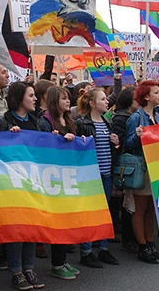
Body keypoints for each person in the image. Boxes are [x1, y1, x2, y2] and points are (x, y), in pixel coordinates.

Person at [0, 81, 48, 290]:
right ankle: (16, 271)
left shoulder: (37, 123)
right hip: (12, 184)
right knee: (17, 228)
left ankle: (29, 268)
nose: (35, 99)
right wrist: (8, 138)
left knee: (31, 226)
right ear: (19, 98)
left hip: (33, 181)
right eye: (31, 95)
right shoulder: (2, 122)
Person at [38, 86, 82, 280]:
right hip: (54, 176)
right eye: (63, 98)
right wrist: (60, 139)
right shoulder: (45, 121)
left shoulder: (70, 119)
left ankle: (63, 260)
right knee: (58, 221)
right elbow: (43, 146)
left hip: (69, 174)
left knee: (67, 220)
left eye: (68, 98)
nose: (67, 101)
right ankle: (57, 263)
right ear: (55, 101)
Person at [75, 87, 121, 266]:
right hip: (90, 176)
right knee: (89, 213)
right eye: (102, 99)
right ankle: (86, 251)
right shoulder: (82, 123)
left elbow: (111, 148)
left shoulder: (107, 122)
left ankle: (103, 248)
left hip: (106, 173)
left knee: (105, 211)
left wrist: (116, 144)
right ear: (92, 103)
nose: (106, 102)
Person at [125, 80, 159, 263]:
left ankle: (151, 243)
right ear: (146, 96)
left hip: (155, 165)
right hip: (142, 167)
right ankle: (142, 246)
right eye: (156, 92)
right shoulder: (136, 118)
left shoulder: (158, 115)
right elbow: (128, 144)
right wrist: (137, 136)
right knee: (140, 209)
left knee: (151, 208)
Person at [109, 86, 138, 250]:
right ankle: (128, 239)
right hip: (127, 165)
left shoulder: (135, 116)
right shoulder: (120, 118)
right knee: (128, 204)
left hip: (134, 163)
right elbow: (120, 145)